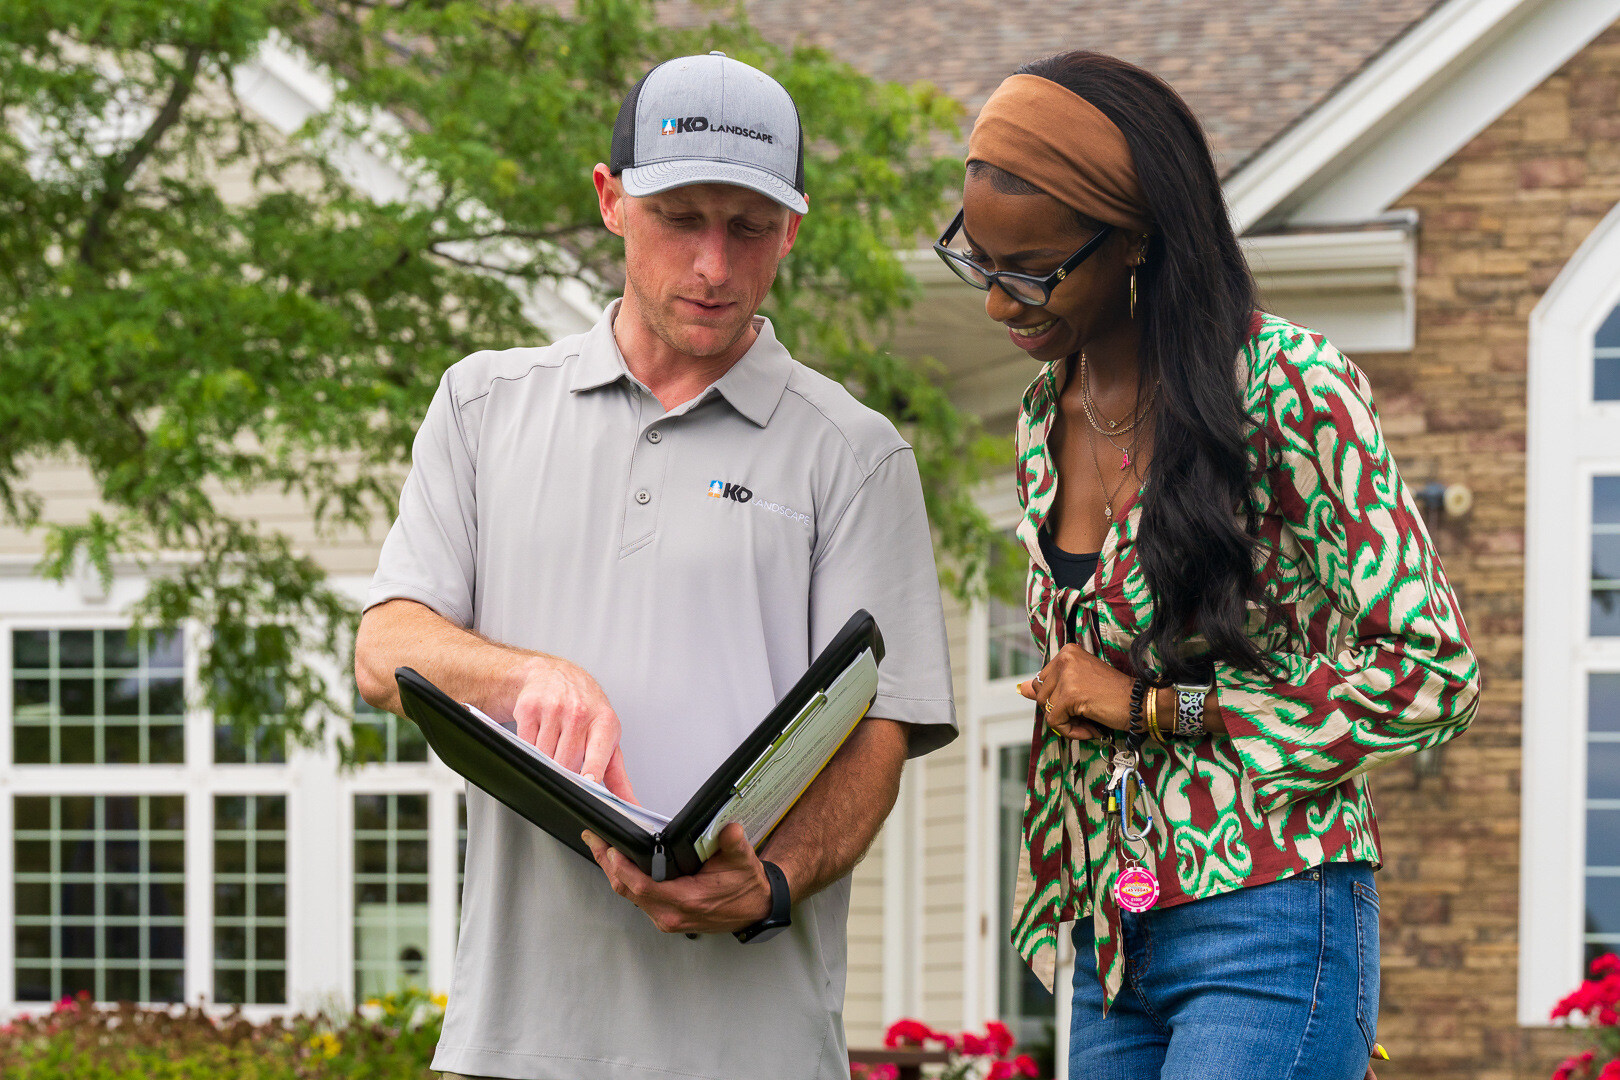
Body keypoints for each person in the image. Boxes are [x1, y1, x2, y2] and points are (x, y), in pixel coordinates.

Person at [354, 52, 956, 1080]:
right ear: (611, 199)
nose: (715, 265)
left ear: (794, 228)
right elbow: (385, 648)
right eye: (682, 218)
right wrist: (527, 675)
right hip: (516, 1046)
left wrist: (770, 881)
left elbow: (881, 732)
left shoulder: (852, 454)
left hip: (755, 1052)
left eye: (750, 227)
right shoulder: (483, 406)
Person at [933, 51, 1480, 1079]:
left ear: (1135, 240)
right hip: (1112, 934)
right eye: (982, 262)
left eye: (1033, 271)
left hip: (1268, 914)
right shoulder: (1045, 414)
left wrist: (1159, 709)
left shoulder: (1289, 389)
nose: (1000, 305)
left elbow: (1432, 674)